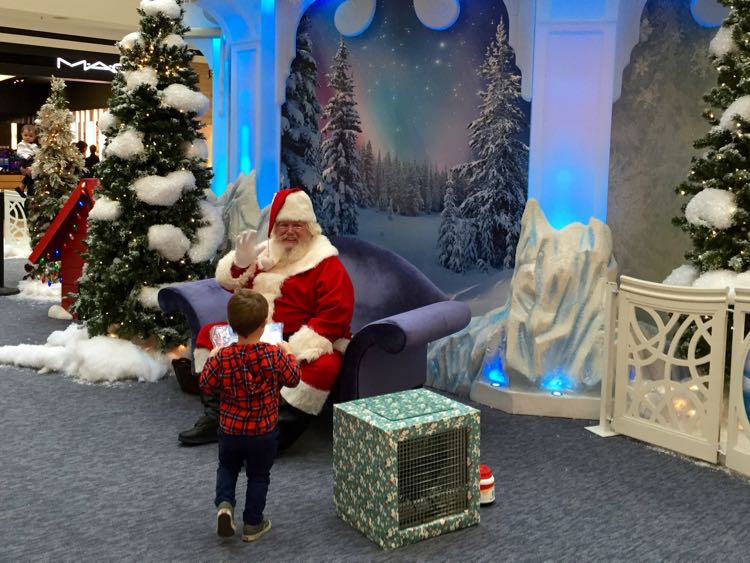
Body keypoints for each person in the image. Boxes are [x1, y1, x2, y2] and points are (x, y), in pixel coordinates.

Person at [178, 188, 355, 449]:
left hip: (304, 337)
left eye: (298, 225)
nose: (290, 231)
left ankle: (277, 432)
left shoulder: (326, 263)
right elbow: (231, 284)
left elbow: (336, 315)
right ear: (274, 227)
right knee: (209, 336)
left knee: (323, 366)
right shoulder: (266, 253)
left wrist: (293, 348)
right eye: (284, 225)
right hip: (262, 332)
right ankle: (216, 417)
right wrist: (239, 263)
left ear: (311, 228)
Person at [200, 289, 300, 541]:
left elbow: (206, 385)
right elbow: (293, 378)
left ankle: (224, 505)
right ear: (264, 323)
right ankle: (253, 524)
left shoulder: (222, 357)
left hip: (231, 430)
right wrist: (288, 352)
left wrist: (212, 358)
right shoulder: (274, 354)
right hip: (263, 432)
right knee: (258, 475)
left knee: (227, 467)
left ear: (230, 325)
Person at [15, 124, 39, 198]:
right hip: (25, 160)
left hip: (32, 160)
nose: (28, 137)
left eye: (30, 136)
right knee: (31, 174)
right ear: (21, 135)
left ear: (34, 137)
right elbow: (19, 153)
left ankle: (21, 187)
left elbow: (38, 153)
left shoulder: (34, 146)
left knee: (31, 175)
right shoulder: (21, 144)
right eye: (25, 135)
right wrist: (27, 157)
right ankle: (22, 187)